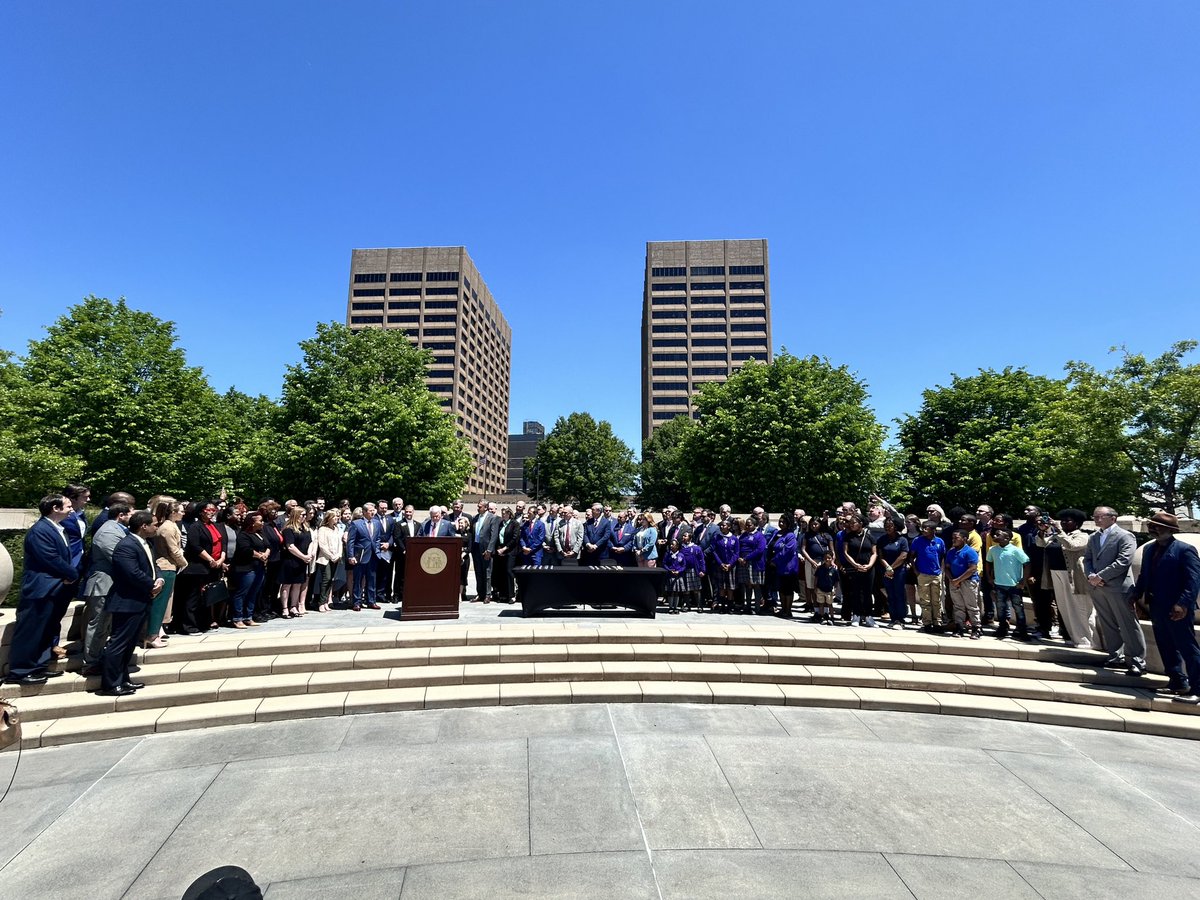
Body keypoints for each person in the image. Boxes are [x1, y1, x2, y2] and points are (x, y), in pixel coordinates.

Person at [4, 495, 78, 685]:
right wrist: (72, 573)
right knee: (31, 630)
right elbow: (50, 558)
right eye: (68, 506)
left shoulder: (58, 528)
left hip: (55, 588)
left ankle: (39, 665)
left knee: (46, 629)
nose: (71, 509)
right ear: (55, 507)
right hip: (40, 589)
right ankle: (20, 671)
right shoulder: (40, 531)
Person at [1130, 512, 1200, 703]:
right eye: (1151, 526)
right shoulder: (1149, 549)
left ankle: (1198, 688)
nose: (1153, 529)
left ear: (1170, 530)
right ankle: (1177, 682)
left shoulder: (1185, 550)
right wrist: (1135, 596)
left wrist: (1182, 604)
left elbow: (1193, 581)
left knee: (1187, 648)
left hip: (1178, 608)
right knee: (1166, 646)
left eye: (1158, 526)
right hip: (1156, 606)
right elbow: (1144, 576)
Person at [96, 510, 163, 696]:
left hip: (140, 601)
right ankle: (110, 684)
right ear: (144, 526)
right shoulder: (126, 545)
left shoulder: (144, 543)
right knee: (119, 644)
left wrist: (159, 579)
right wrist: (151, 584)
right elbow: (131, 572)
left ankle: (123, 679)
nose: (156, 527)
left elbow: (152, 565)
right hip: (126, 602)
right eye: (154, 524)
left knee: (129, 645)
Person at [1084, 506, 1147, 675]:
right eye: (1095, 516)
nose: (1096, 519)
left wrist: (1101, 577)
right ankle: (1115, 657)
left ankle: (1137, 661)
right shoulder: (1093, 537)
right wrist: (1091, 576)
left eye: (1100, 516)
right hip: (1098, 587)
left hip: (1119, 587)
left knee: (1128, 625)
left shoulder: (1125, 536)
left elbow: (1124, 560)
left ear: (1113, 518)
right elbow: (1087, 559)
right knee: (1108, 623)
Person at [79, 501, 132, 674]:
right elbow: (119, 558)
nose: (132, 518)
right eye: (130, 514)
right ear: (121, 515)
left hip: (112, 585)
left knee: (105, 626)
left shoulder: (118, 529)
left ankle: (99, 657)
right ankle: (91, 662)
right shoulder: (109, 531)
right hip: (103, 584)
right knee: (98, 625)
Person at [1039, 509, 1095, 649]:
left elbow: (1072, 545)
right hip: (1056, 574)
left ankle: (1088, 640)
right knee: (1065, 608)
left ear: (1076, 523)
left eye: (1067, 520)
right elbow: (1041, 543)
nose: (1063, 523)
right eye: (1062, 520)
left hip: (1074, 576)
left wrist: (1058, 531)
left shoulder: (1082, 536)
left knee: (1080, 608)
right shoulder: (1056, 535)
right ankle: (1073, 636)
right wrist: (1043, 531)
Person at [174, 501, 227, 635]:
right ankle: (189, 626)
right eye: (208, 510)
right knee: (193, 598)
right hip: (197, 567)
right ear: (201, 512)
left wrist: (221, 559)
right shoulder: (195, 527)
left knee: (206, 598)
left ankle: (204, 622)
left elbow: (222, 543)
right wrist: (210, 559)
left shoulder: (215, 526)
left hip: (213, 567)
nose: (211, 512)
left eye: (213, 510)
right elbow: (195, 546)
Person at [149, 498, 185, 648]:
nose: (184, 513)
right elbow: (174, 550)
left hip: (170, 566)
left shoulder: (171, 526)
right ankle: (152, 635)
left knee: (165, 603)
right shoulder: (168, 528)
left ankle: (155, 633)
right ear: (174, 512)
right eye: (181, 510)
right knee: (160, 602)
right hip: (166, 566)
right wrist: (184, 563)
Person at [986, 528, 1032, 640]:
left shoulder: (1015, 550)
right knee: (1000, 607)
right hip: (999, 584)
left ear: (1007, 538)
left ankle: (1022, 630)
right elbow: (988, 563)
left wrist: (1023, 580)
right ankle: (1002, 627)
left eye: (998, 534)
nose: (995, 536)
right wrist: (989, 577)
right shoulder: (992, 549)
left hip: (1014, 584)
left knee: (1018, 607)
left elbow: (1027, 563)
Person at [229, 511, 269, 627]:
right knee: (242, 592)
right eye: (260, 521)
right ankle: (237, 618)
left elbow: (268, 545)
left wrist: (266, 553)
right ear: (252, 522)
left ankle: (248, 616)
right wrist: (259, 555)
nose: (262, 523)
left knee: (253, 592)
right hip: (245, 568)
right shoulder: (244, 535)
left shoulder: (260, 533)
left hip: (259, 567)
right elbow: (245, 549)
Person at [839, 514, 877, 627]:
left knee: (867, 592)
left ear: (861, 523)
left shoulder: (870, 536)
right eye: (850, 523)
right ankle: (856, 615)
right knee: (855, 591)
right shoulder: (848, 536)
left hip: (868, 568)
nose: (851, 524)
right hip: (854, 568)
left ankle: (868, 615)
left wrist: (869, 565)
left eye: (854, 523)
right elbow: (845, 552)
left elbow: (874, 552)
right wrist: (855, 564)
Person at [945, 529, 982, 639]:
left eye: (956, 538)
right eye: (953, 538)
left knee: (971, 606)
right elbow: (946, 567)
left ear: (964, 539)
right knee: (958, 606)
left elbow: (972, 569)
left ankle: (976, 627)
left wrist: (959, 580)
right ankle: (959, 626)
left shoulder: (970, 552)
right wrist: (952, 579)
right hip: (954, 581)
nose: (954, 540)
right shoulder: (951, 552)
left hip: (968, 581)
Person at [347, 502, 384, 610]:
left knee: (372, 579)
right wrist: (351, 556)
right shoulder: (356, 524)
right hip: (361, 556)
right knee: (358, 580)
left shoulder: (377, 523)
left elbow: (377, 538)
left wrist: (377, 550)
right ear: (364, 512)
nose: (372, 512)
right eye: (370, 511)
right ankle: (357, 602)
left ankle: (371, 601)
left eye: (373, 510)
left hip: (373, 555)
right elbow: (351, 541)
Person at [910, 521, 946, 632]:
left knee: (936, 600)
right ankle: (927, 622)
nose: (924, 530)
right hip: (923, 574)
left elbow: (943, 557)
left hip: (936, 574)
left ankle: (937, 622)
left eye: (927, 528)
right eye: (923, 528)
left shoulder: (939, 541)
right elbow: (911, 556)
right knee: (925, 600)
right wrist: (916, 571)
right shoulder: (918, 541)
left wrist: (941, 571)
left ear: (933, 530)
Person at [876, 516, 909, 630]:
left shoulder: (902, 540)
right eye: (886, 526)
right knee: (890, 595)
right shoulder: (882, 539)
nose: (888, 528)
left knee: (899, 594)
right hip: (886, 571)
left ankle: (900, 619)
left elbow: (903, 555)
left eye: (890, 526)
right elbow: (880, 556)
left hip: (899, 571)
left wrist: (892, 568)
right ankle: (893, 618)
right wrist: (887, 568)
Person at [313, 510, 343, 612]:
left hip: (335, 558)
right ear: (329, 518)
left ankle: (326, 601)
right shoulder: (323, 529)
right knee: (326, 579)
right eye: (334, 517)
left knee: (331, 580)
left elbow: (340, 543)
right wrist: (331, 556)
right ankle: (321, 602)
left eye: (337, 517)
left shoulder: (336, 528)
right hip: (325, 558)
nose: (337, 519)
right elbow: (322, 545)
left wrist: (338, 554)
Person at [736, 517, 767, 613]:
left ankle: (757, 607)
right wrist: (739, 558)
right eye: (747, 525)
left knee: (756, 585)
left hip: (754, 563)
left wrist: (747, 558)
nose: (748, 527)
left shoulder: (759, 536)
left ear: (755, 525)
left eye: (750, 525)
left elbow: (759, 550)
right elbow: (738, 547)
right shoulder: (743, 535)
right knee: (747, 584)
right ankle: (748, 607)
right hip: (743, 563)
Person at [772, 512, 800, 619]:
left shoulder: (790, 535)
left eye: (783, 522)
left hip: (789, 566)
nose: (781, 523)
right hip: (780, 566)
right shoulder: (779, 533)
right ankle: (783, 609)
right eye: (780, 521)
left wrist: (775, 559)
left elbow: (788, 550)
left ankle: (788, 610)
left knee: (788, 590)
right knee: (782, 589)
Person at [391, 504, 418, 602]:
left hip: (413, 555)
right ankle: (397, 595)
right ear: (404, 512)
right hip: (401, 554)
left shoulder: (418, 525)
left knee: (411, 575)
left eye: (410, 512)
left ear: (413, 512)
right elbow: (397, 538)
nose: (408, 514)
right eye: (407, 512)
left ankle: (408, 594)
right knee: (399, 574)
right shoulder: (398, 524)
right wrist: (404, 549)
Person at [711, 518, 739, 612]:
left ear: (729, 527)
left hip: (731, 566)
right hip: (720, 565)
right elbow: (714, 551)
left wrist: (730, 564)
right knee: (722, 586)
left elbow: (736, 552)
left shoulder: (734, 538)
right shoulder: (717, 537)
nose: (722, 527)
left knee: (730, 586)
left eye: (724, 525)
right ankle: (722, 605)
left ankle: (730, 605)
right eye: (721, 525)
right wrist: (721, 563)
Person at [814, 551, 840, 624]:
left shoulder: (834, 570)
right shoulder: (820, 568)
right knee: (821, 603)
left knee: (830, 604)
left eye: (829, 558)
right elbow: (816, 577)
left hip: (829, 590)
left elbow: (836, 581)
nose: (827, 559)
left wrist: (835, 589)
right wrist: (815, 587)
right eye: (825, 558)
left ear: (832, 559)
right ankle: (822, 617)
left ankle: (831, 617)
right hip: (820, 589)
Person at [662, 538, 687, 614]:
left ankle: (675, 607)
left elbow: (684, 565)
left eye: (673, 544)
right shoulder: (667, 554)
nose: (671, 546)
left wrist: (679, 571)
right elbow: (664, 563)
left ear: (677, 546)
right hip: (670, 575)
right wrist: (669, 570)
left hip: (678, 576)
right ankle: (670, 607)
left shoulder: (681, 555)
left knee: (676, 592)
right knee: (671, 591)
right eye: (671, 544)